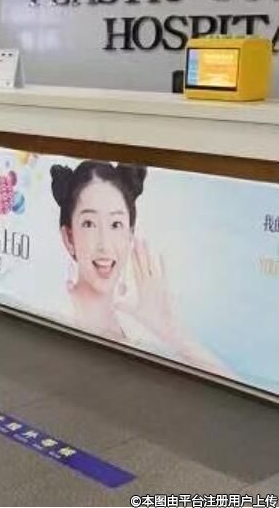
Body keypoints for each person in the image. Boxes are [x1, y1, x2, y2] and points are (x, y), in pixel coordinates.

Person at [50, 160, 228, 375]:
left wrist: (172, 332)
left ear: (130, 233)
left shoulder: (136, 326)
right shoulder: (52, 312)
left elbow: (232, 386)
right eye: (89, 224)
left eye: (116, 224)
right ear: (69, 237)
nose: (104, 245)